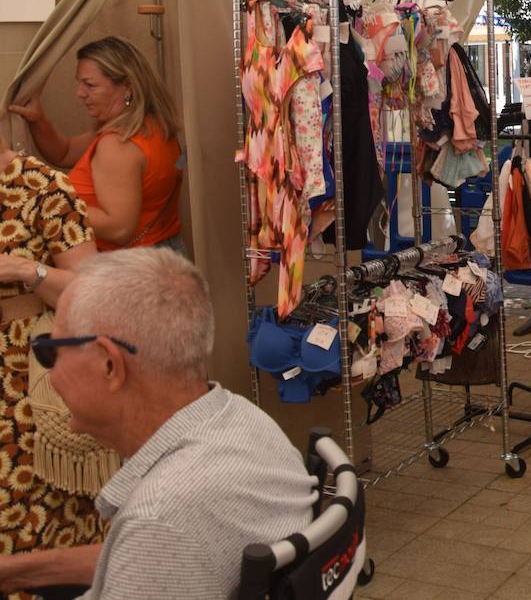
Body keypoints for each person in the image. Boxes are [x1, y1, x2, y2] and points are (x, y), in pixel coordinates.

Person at [0, 249, 316, 599]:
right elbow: (143, 557)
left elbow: (158, 539)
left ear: (109, 365)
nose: (49, 373)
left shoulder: (161, 517)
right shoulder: (242, 419)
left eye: (50, 351)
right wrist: (15, 572)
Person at [0, 135, 101, 579]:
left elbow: (92, 294)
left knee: (29, 523)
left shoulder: (43, 187)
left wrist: (27, 270)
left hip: (21, 385)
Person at [10, 37, 184, 252]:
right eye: (79, 83)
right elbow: (64, 153)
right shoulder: (153, 126)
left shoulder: (118, 145)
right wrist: (38, 120)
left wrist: (43, 203)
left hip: (130, 267)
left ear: (127, 87)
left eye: (90, 85)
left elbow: (119, 229)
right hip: (163, 252)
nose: (80, 93)